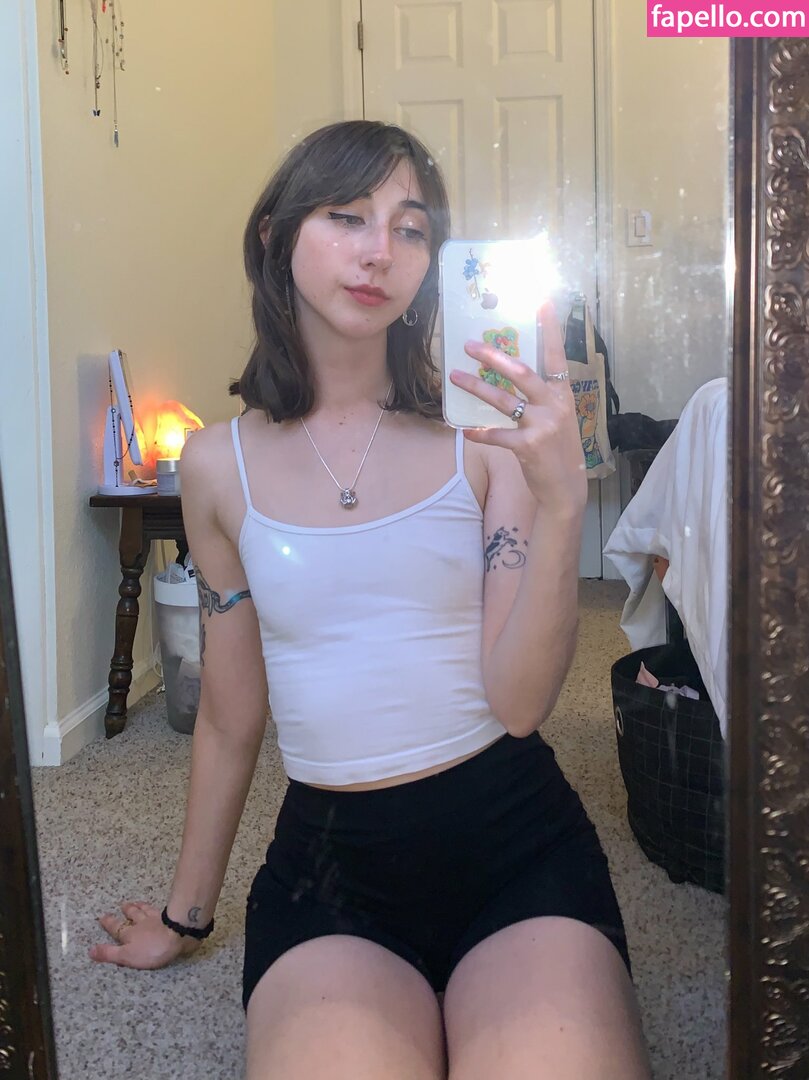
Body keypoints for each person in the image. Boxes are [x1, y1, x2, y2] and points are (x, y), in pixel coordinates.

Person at [90, 120, 651, 1079]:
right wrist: (186, 916)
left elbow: (520, 705)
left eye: (411, 227)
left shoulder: (486, 441)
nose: (379, 250)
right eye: (346, 216)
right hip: (331, 869)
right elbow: (229, 714)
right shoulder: (217, 466)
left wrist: (561, 506)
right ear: (276, 237)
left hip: (515, 846)